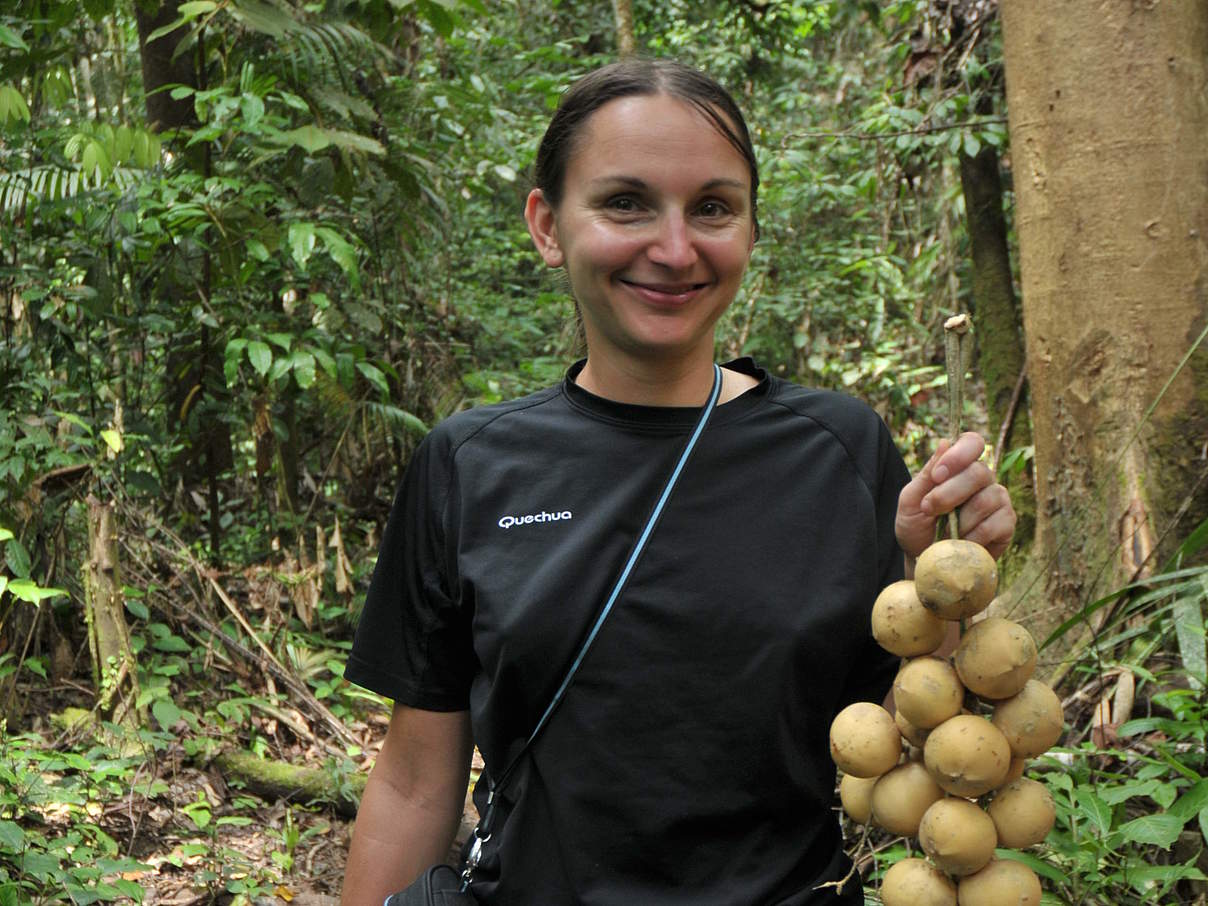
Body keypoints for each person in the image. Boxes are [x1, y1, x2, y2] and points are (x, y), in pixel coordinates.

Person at [341, 59, 1015, 906]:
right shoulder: (470, 464)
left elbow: (914, 748)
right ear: (548, 227)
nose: (673, 248)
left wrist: (944, 583)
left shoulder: (839, 449)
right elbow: (411, 782)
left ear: (750, 231)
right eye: (626, 202)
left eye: (713, 208)